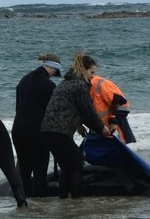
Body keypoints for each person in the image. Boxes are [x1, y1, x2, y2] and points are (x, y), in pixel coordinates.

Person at [40, 53, 112, 199]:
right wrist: (102, 128)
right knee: (77, 165)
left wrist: (79, 125)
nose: (93, 77)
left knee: (67, 168)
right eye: (92, 72)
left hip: (47, 131)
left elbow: (68, 108)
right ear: (83, 70)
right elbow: (88, 111)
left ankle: (64, 200)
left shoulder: (65, 83)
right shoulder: (79, 85)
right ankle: (75, 201)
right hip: (59, 132)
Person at [12, 53, 62, 197]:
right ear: (53, 69)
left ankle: (24, 203)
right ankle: (39, 205)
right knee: (40, 171)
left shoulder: (23, 80)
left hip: (18, 129)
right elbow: (54, 113)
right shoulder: (49, 85)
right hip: (37, 131)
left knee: (24, 171)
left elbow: (18, 107)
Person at [90, 73, 136, 143]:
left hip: (114, 130)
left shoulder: (101, 84)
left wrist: (113, 122)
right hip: (98, 130)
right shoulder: (81, 87)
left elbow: (123, 103)